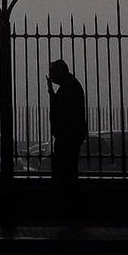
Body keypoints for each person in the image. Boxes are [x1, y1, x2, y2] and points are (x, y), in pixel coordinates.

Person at [46, 59, 87, 191]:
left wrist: (52, 94)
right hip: (70, 136)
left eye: (53, 73)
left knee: (65, 174)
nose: (51, 77)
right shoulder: (71, 86)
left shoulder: (69, 88)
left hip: (67, 137)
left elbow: (61, 111)